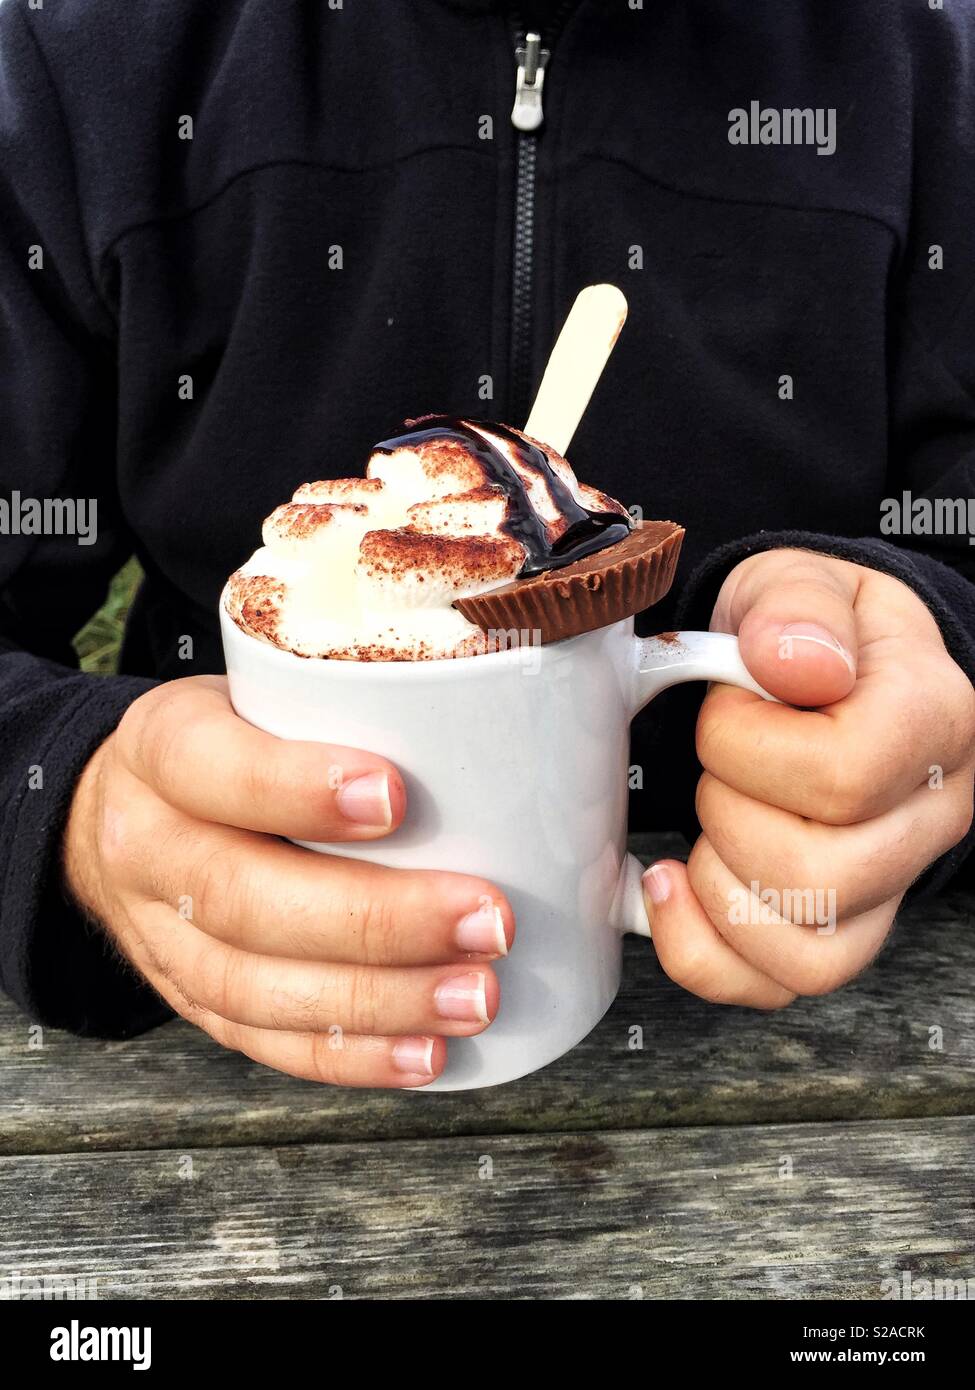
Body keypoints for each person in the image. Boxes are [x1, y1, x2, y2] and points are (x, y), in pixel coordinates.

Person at [1, 0, 973, 1088]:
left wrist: (934, 670)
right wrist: (71, 813)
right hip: (201, 1063)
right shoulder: (82, 58)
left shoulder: (935, 66)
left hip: (780, 1076)